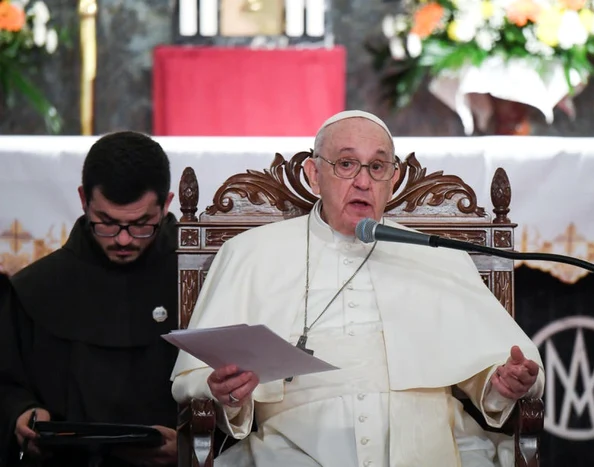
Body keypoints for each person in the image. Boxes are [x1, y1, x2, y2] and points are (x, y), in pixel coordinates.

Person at [170, 110, 545, 467]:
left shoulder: (438, 256)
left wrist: (503, 382)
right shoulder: (250, 253)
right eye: (346, 164)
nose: (363, 182)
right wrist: (226, 390)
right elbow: (198, 376)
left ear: (393, 179)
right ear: (314, 174)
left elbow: (501, 367)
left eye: (378, 167)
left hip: (430, 444)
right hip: (294, 446)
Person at [0, 131, 180, 467]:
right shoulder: (35, 289)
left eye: (142, 224)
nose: (124, 240)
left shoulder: (201, 279)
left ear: (166, 204)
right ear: (84, 200)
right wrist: (22, 414)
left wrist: (189, 447)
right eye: (107, 223)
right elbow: (7, 384)